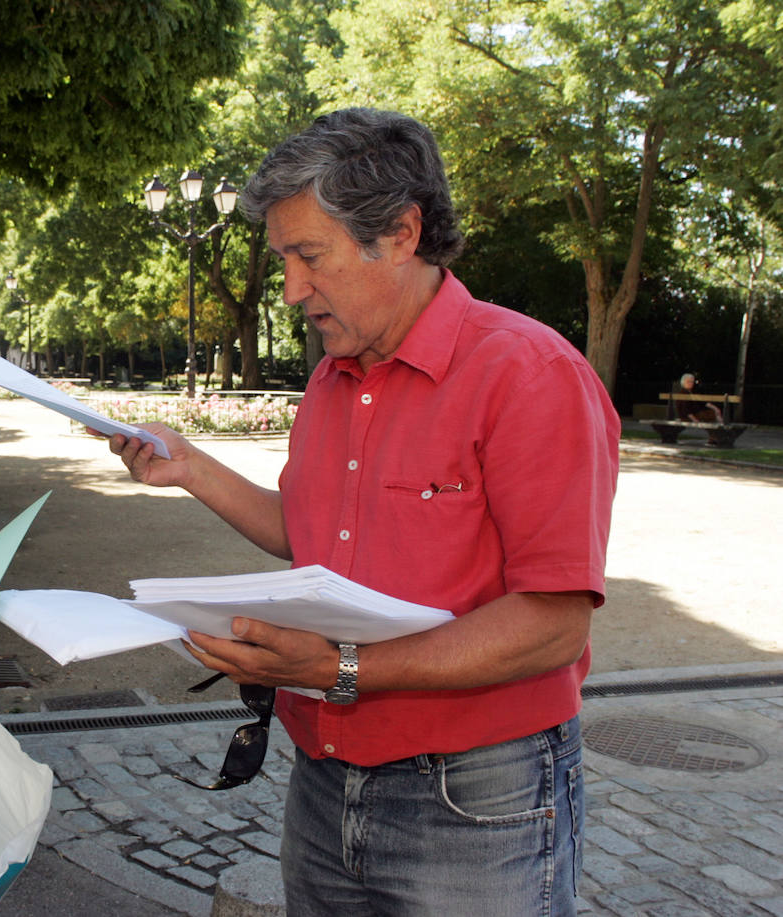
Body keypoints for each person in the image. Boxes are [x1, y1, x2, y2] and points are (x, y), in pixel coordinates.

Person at [100, 109, 619, 915]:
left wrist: (339, 669)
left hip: (478, 793)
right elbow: (308, 533)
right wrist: (192, 467)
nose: (291, 290)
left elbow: (554, 624)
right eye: (283, 260)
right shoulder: (333, 376)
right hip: (322, 781)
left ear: (401, 234)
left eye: (309, 256)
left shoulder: (528, 372)